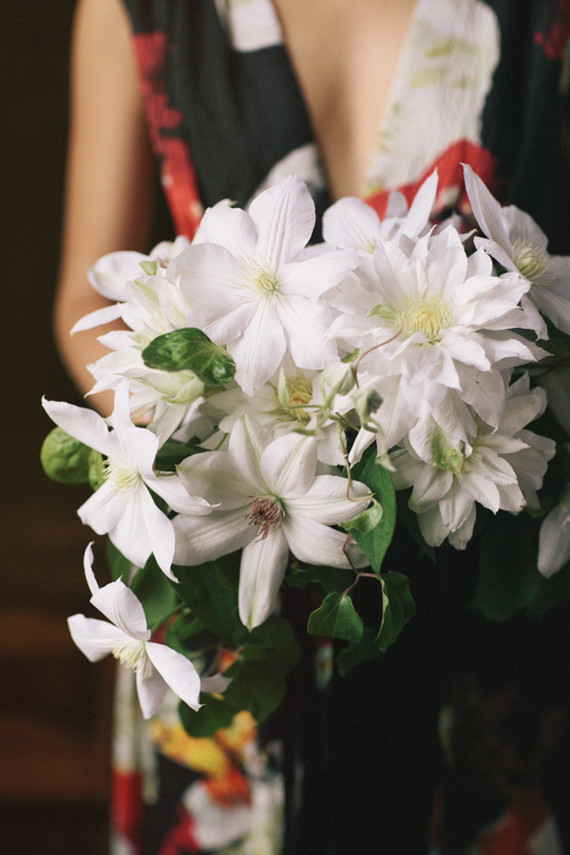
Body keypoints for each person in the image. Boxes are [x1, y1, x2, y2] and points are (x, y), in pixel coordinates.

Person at [55, 1, 570, 853]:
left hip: (477, 604)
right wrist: (228, 456)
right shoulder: (138, 12)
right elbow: (88, 295)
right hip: (230, 628)